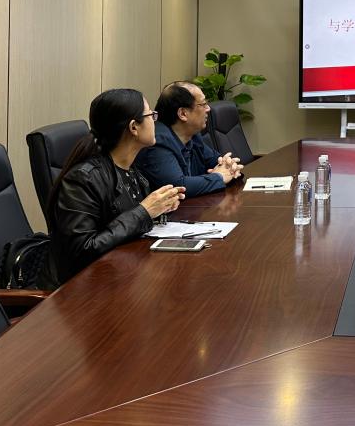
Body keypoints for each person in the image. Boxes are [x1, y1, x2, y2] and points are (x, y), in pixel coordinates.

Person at [44, 88, 184, 286]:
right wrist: (144, 212)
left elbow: (128, 220)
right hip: (85, 290)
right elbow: (82, 250)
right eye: (151, 115)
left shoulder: (131, 170)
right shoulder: (83, 179)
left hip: (123, 275)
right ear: (134, 127)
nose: (155, 120)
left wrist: (160, 208)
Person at [136, 81, 243, 196]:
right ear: (183, 113)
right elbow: (178, 186)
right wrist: (219, 177)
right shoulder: (158, 142)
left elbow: (216, 160)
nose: (208, 108)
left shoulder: (192, 135)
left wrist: (230, 166)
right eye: (203, 104)